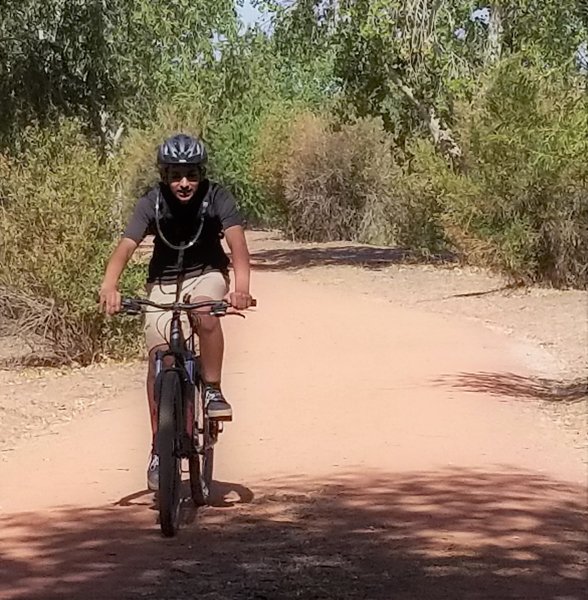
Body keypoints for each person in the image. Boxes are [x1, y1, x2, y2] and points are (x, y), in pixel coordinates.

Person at [99, 133, 253, 490]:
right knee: (158, 356)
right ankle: (158, 447)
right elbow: (126, 246)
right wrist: (109, 286)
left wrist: (241, 289)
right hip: (163, 281)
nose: (184, 183)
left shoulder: (217, 197)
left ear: (201, 173)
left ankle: (212, 389)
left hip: (207, 274)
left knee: (203, 311)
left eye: (191, 174)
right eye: (175, 175)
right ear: (164, 175)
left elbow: (238, 246)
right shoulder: (151, 203)